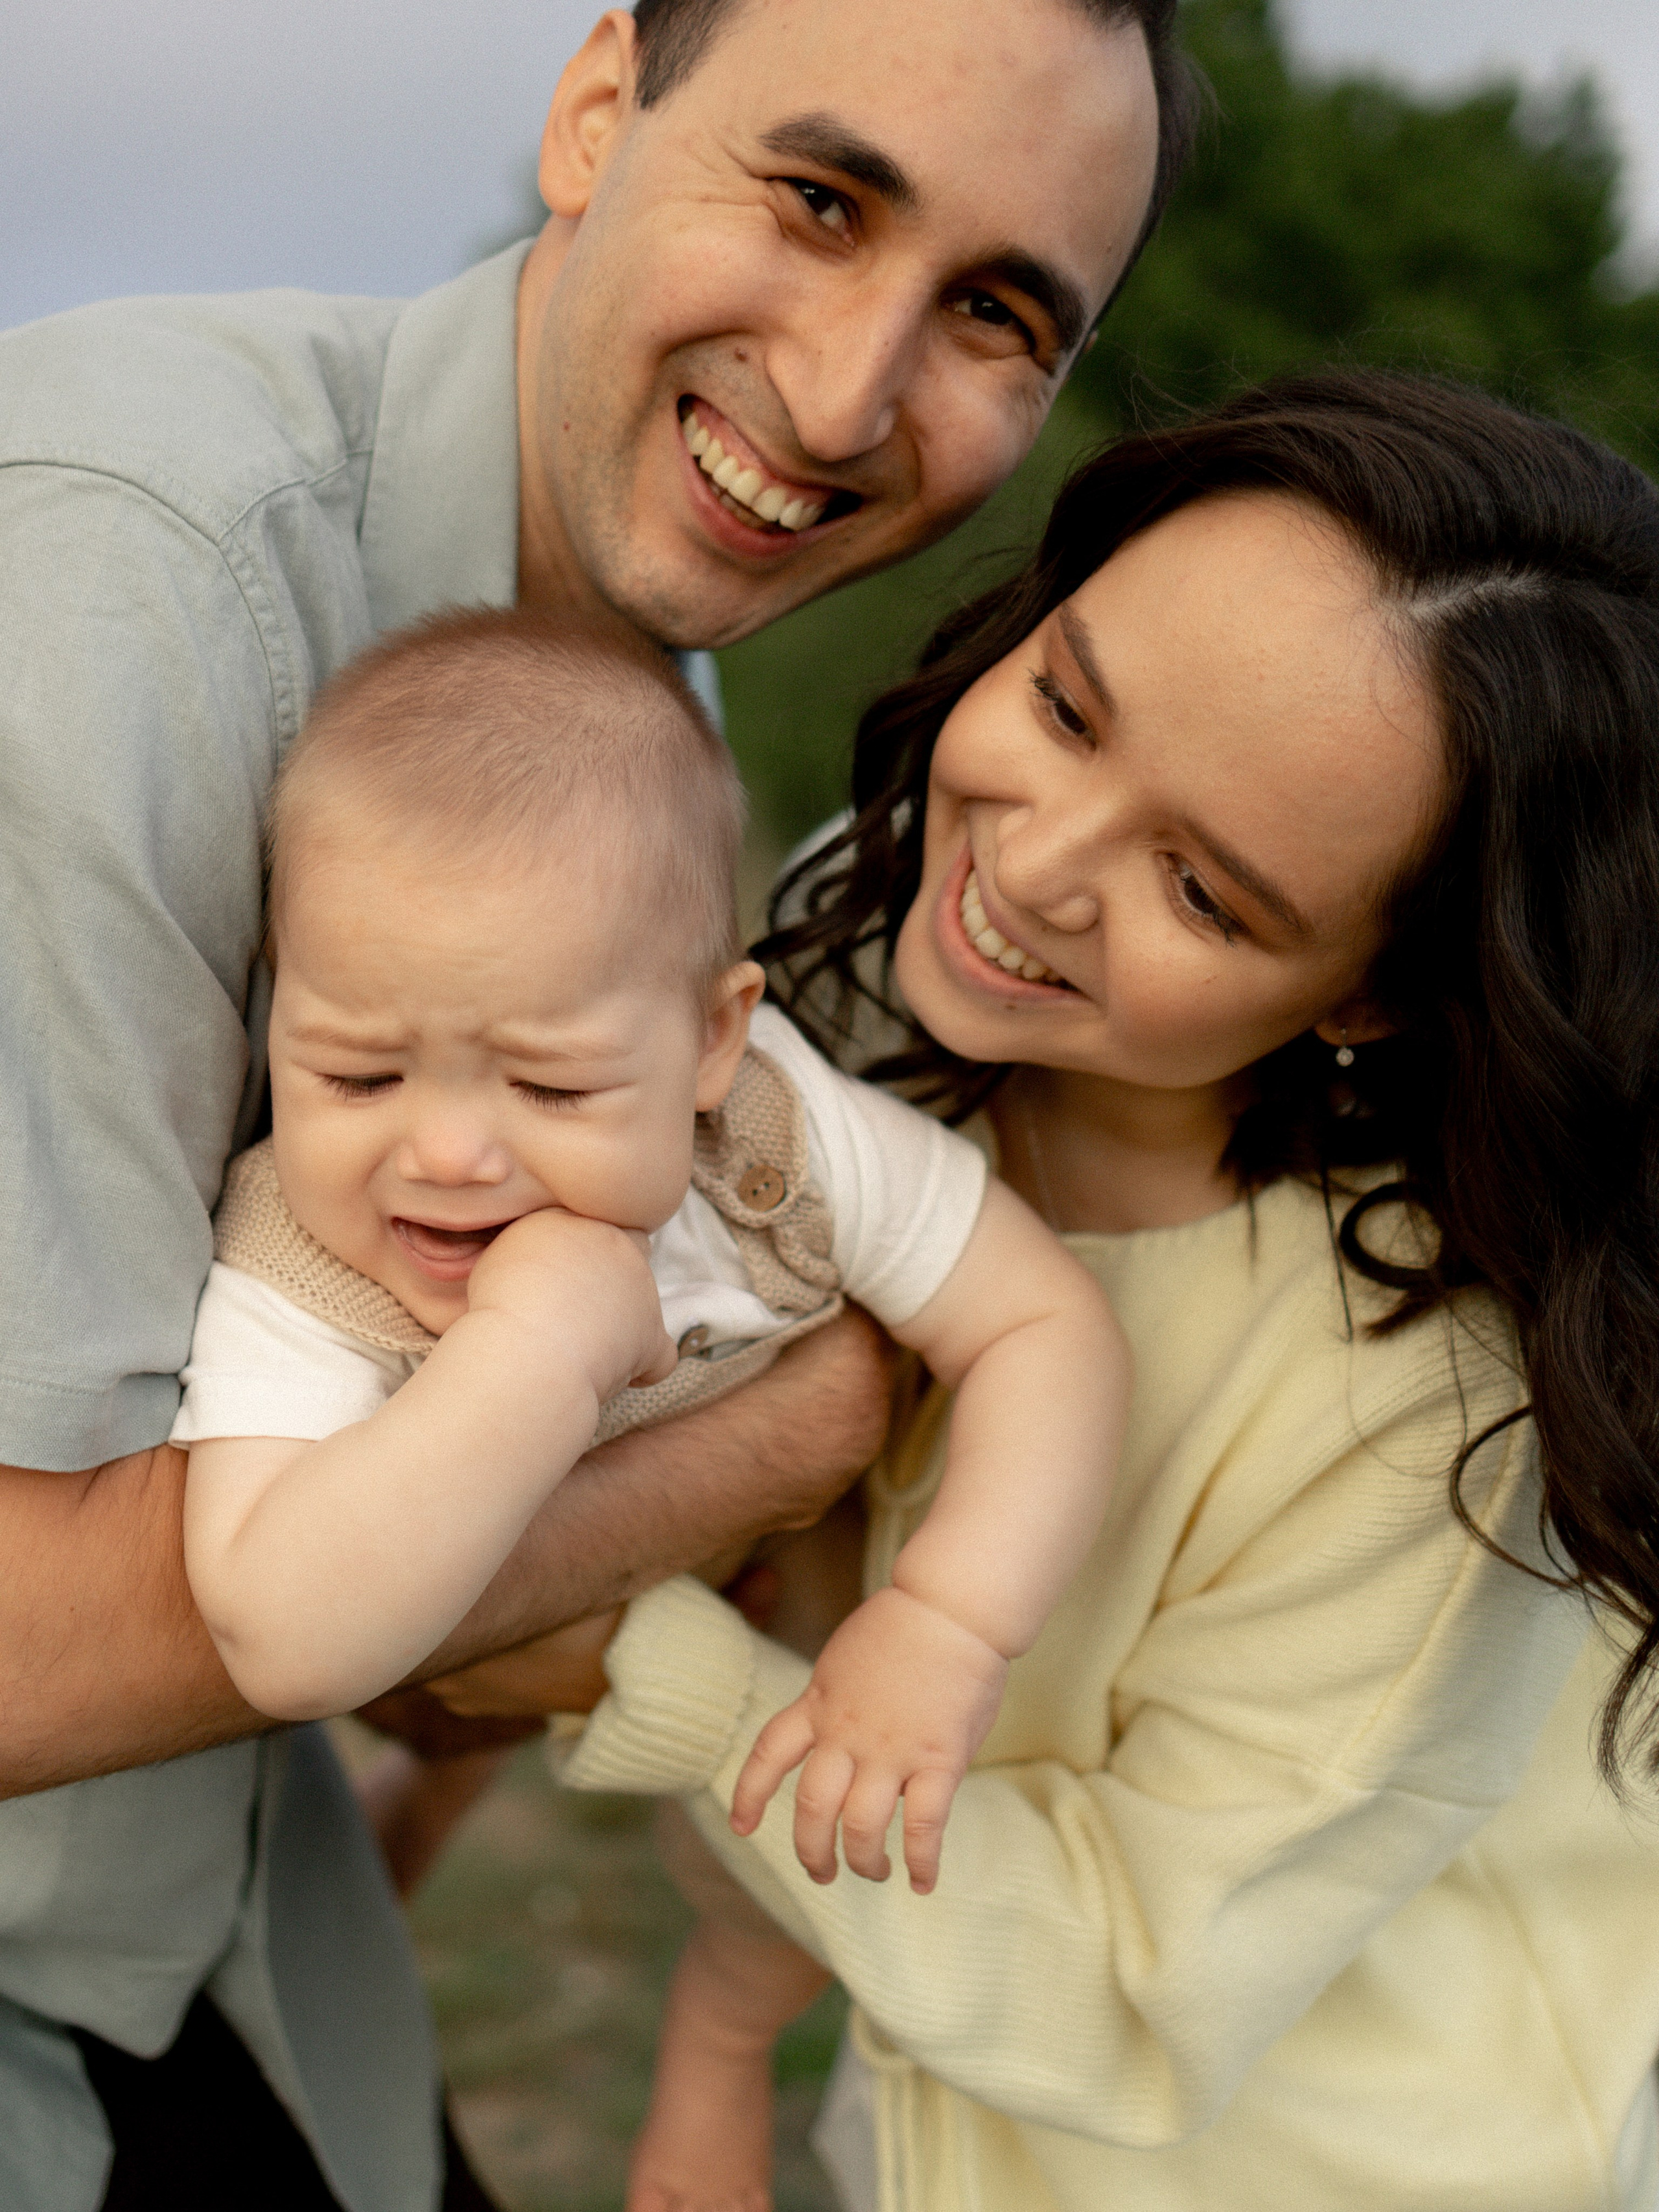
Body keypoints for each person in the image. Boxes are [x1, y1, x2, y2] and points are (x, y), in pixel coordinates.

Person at [0, 3, 1198, 2206]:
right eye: (820, 199)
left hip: (244, 1943)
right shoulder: (116, 587)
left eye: (996, 316)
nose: (845, 398)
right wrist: (793, 1427)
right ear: (589, 114)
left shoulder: (633, 677)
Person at [438, 371, 1659, 2211]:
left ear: (1379, 992)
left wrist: (633, 1655)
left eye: (1204, 888)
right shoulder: (859, 969)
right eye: (1069, 702)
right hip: (926, 2128)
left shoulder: (1424, 1415)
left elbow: (1124, 1987)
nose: (1028, 861)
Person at [170, 603, 1127, 2203]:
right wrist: (531, 1356)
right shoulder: (302, 1262)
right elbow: (285, 1635)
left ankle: (711, 2041)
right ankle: (451, 1829)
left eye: (548, 1088)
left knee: (802, 1841)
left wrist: (949, 1620)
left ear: (709, 1034)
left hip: (814, 1617)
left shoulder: (778, 1139)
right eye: (353, 1071)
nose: (448, 1155)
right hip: (536, 1594)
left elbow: (1042, 1325)